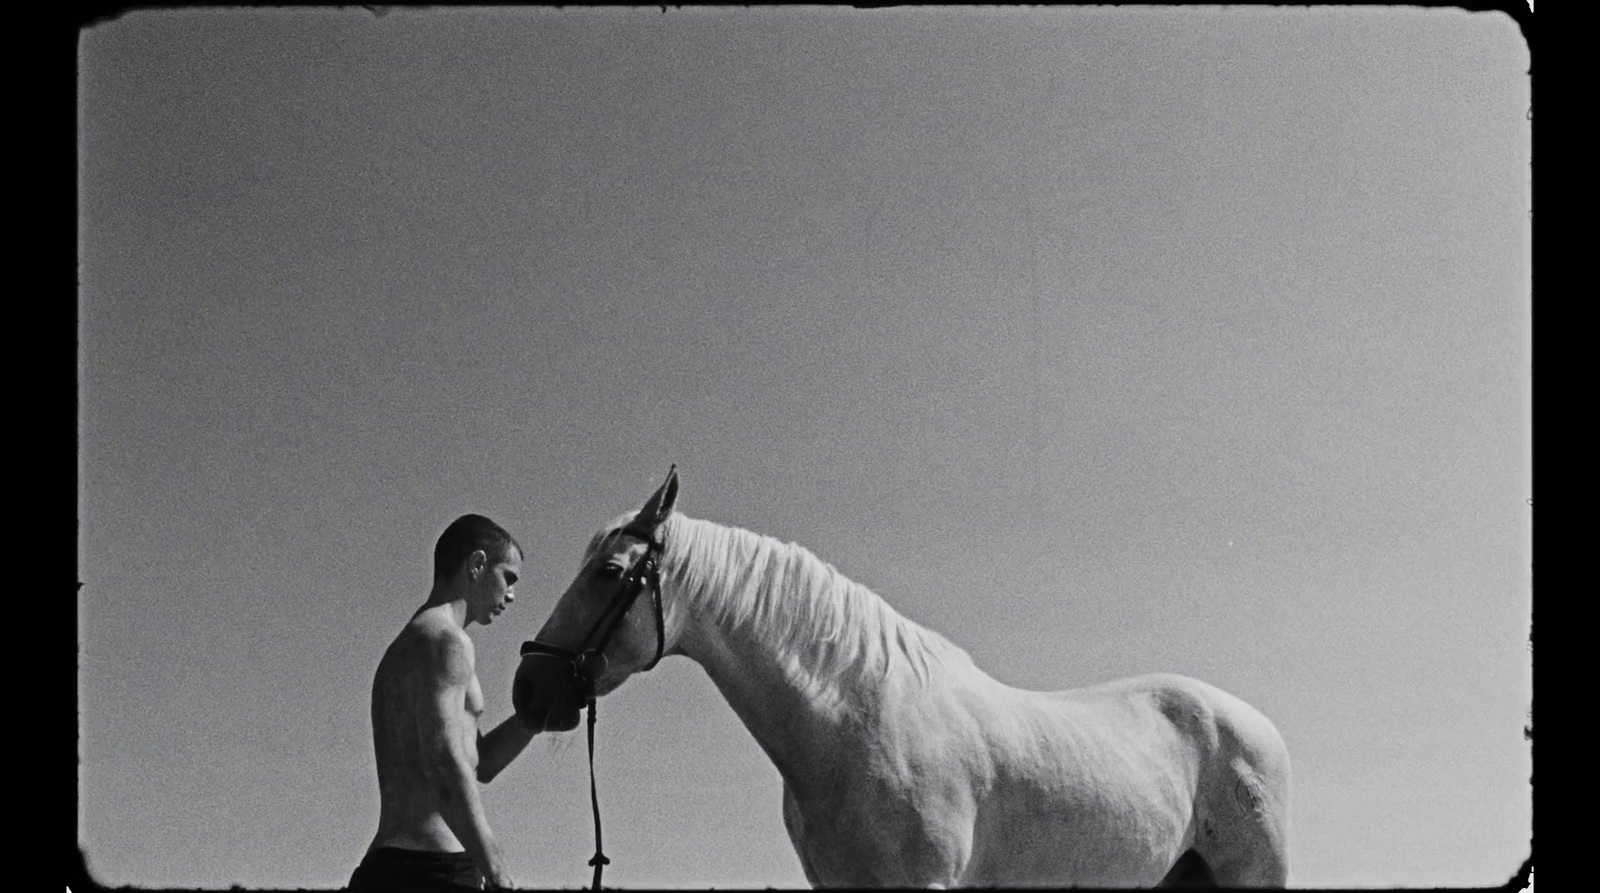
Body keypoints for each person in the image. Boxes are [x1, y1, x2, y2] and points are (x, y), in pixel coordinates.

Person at [349, 514, 537, 891]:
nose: (511, 595)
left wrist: (535, 718)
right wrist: (497, 870)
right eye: (508, 577)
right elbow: (444, 765)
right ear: (477, 564)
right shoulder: (446, 641)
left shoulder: (415, 642)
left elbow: (476, 762)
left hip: (391, 865)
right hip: (431, 871)